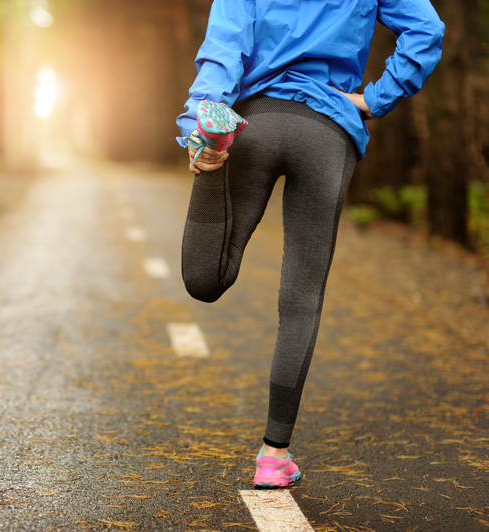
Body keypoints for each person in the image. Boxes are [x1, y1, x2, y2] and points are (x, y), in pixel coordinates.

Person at [176, 0, 444, 489]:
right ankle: (274, 457)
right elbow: (426, 30)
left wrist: (196, 126)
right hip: (326, 130)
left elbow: (222, 50)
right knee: (301, 299)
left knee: (204, 280)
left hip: (254, 122)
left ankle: (210, 147)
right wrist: (375, 99)